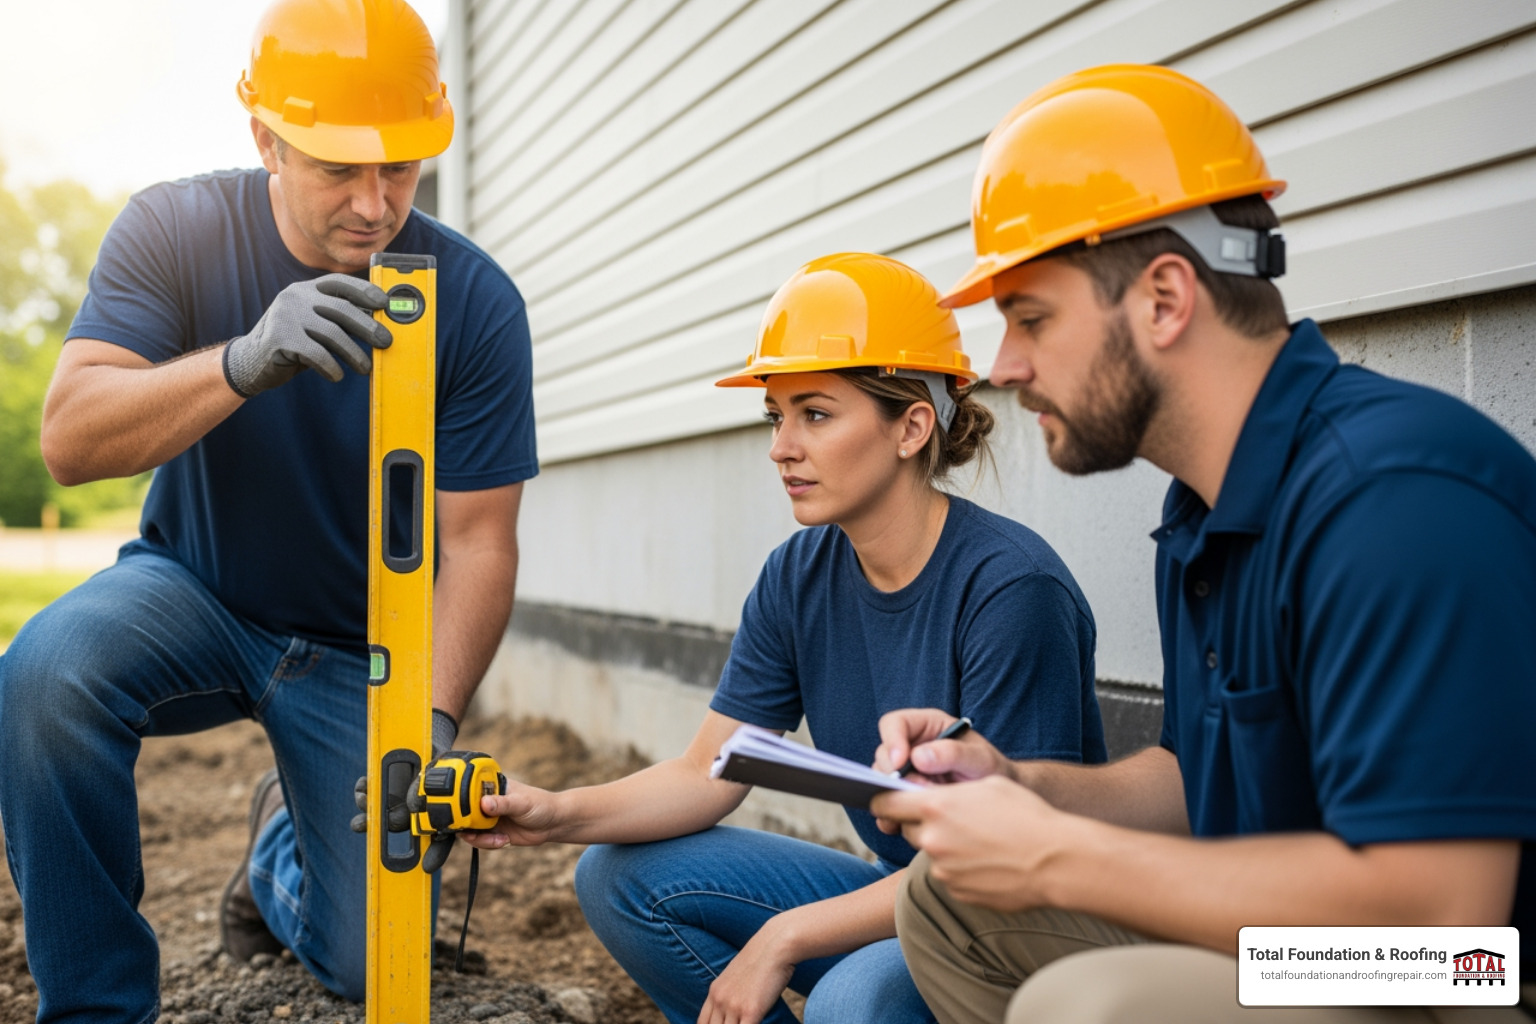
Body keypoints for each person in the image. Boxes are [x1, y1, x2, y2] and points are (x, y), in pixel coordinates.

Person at [868, 64, 1536, 1024]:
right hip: (1328, 954)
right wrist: (1016, 783)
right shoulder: (1206, 513)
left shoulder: (1395, 501)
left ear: (1166, 299)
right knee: (947, 902)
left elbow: (1443, 930)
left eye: (1030, 318)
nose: (1004, 368)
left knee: (1094, 1004)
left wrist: (1055, 855)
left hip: (1469, 982)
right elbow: (1196, 780)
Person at [0, 1, 537, 1019]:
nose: (376, 203)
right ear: (266, 140)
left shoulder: (475, 303)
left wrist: (423, 725)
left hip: (360, 647)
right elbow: (70, 438)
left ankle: (277, 857)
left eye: (402, 168)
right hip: (195, 590)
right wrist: (243, 363)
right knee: (45, 677)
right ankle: (98, 1003)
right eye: (340, 168)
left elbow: (475, 544)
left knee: (371, 964)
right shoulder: (177, 228)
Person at [460, 252, 1106, 1024]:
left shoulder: (1010, 590)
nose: (781, 446)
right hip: (907, 893)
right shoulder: (800, 574)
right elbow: (710, 772)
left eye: (816, 414)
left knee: (848, 999)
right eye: (777, 415)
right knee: (616, 877)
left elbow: (1002, 859)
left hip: (1022, 923)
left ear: (912, 426)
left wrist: (786, 935)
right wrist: (554, 813)